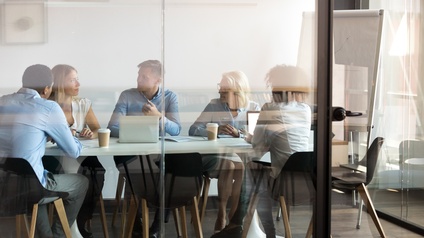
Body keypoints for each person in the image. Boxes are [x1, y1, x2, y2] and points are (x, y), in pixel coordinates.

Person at [211, 65, 312, 238]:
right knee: (255, 171)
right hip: (307, 181)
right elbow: (271, 141)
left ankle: (239, 226)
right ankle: (239, 225)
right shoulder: (305, 109)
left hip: (282, 183)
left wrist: (249, 138)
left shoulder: (271, 108)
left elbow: (257, 147)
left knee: (251, 169)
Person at [0, 64, 88, 237]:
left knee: (33, 180)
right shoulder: (48, 107)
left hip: (4, 183)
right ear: (47, 88)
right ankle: (59, 234)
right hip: (31, 186)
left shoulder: (2, 101)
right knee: (80, 182)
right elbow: (73, 152)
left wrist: (42, 136)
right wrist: (72, 136)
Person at [107, 59, 181, 238]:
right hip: (129, 154)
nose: (138, 79)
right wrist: (141, 129)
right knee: (141, 171)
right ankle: (136, 223)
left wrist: (158, 117)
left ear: (158, 80)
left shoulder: (170, 97)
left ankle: (157, 225)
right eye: (139, 75)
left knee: (170, 172)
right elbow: (112, 127)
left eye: (144, 76)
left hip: (156, 155)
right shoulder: (127, 95)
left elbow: (177, 130)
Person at [189, 70, 260, 233]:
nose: (219, 91)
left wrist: (239, 134)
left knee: (241, 167)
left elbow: (257, 136)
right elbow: (193, 129)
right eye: (220, 87)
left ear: (237, 90)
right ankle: (221, 213)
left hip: (240, 157)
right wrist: (213, 130)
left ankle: (234, 215)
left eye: (224, 89)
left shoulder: (253, 107)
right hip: (216, 156)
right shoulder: (214, 105)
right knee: (229, 165)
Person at [47, 64, 103, 238]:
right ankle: (64, 222)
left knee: (98, 171)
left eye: (77, 79)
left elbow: (96, 129)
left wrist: (89, 133)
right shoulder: (47, 106)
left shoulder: (83, 104)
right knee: (69, 173)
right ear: (60, 82)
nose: (78, 83)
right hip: (54, 156)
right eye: (73, 80)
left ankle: (80, 221)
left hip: (79, 153)